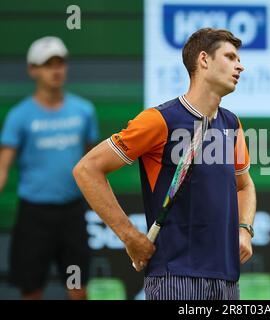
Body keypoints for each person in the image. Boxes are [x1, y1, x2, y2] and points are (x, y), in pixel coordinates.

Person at [73, 28, 256, 300]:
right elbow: (87, 170)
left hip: (226, 278)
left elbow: (244, 185)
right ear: (204, 60)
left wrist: (245, 229)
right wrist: (129, 237)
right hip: (175, 277)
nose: (240, 65)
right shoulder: (159, 120)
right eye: (230, 57)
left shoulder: (232, 123)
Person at [0, 36, 99, 300]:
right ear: (33, 69)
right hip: (34, 215)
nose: (56, 70)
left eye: (60, 63)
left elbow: (93, 163)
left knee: (78, 289)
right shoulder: (18, 116)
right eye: (47, 64)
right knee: (31, 290)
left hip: (73, 213)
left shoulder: (84, 111)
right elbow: (2, 168)